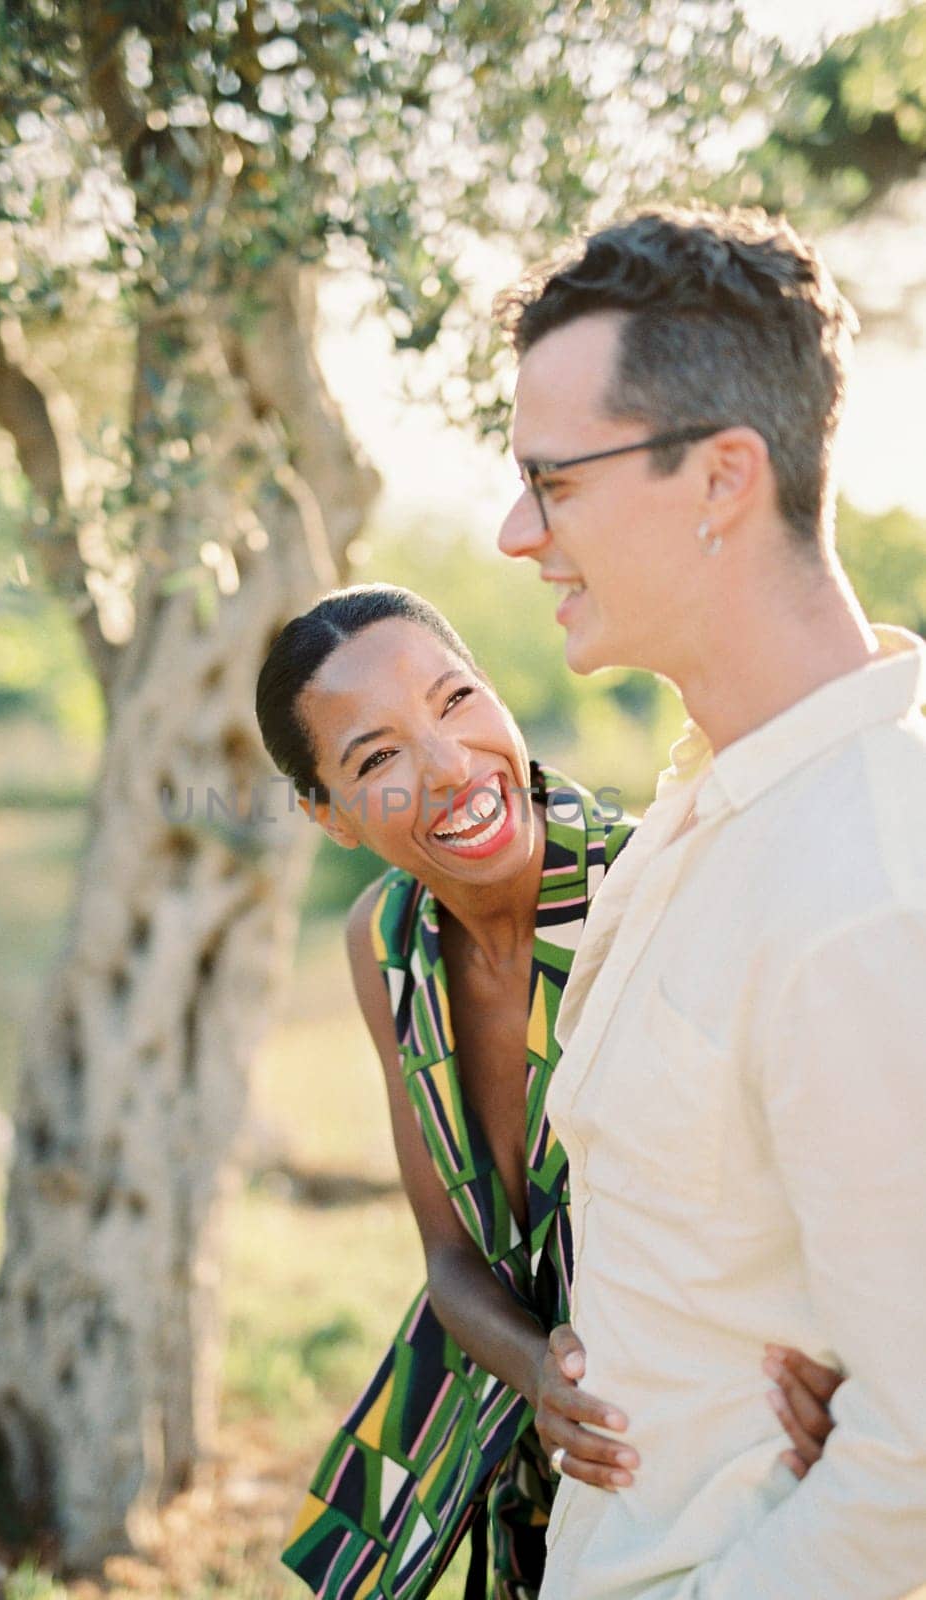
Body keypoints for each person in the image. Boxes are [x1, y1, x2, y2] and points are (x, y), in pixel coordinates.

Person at [494, 205, 926, 1599]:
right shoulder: (717, 797)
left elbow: (910, 1468)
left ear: (719, 477)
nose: (512, 533)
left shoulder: (863, 889)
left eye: (550, 481)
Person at [255, 584, 840, 1600]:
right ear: (326, 813)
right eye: (376, 758)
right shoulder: (384, 944)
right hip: (553, 1448)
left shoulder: (667, 887)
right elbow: (451, 1254)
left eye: (455, 699)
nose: (448, 767)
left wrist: (860, 1362)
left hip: (727, 1458)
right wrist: (536, 1373)